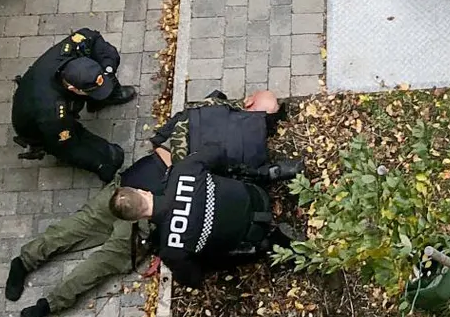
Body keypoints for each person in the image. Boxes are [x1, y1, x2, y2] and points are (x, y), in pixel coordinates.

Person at [7, 91, 300, 317]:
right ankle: (29, 266)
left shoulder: (211, 107)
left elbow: (162, 141)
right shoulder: (239, 134)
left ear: (249, 102)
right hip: (144, 201)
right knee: (82, 233)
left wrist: (181, 169)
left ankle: (47, 297)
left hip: (141, 188)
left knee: (100, 258)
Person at [107, 95, 308, 288]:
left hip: (253, 236)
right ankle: (270, 173)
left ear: (135, 220)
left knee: (200, 257)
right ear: (144, 192)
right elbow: (216, 151)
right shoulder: (182, 171)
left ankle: (278, 245)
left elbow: (192, 279)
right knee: (221, 168)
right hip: (256, 196)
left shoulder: (170, 248)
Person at [10, 28, 136, 182]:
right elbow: (69, 147)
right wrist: (99, 164)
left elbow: (94, 38)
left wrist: (108, 70)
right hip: (38, 128)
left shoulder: (73, 50)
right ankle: (107, 162)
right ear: (72, 88)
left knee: (102, 75)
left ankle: (104, 98)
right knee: (102, 153)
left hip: (51, 92)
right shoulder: (54, 114)